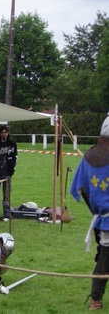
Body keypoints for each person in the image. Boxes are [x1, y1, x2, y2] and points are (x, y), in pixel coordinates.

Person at [70, 113, 109, 311]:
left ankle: (96, 299)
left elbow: (82, 190)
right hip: (105, 220)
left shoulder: (89, 158)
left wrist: (96, 210)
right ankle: (95, 299)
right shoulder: (91, 158)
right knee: (105, 257)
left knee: (104, 255)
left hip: (102, 218)